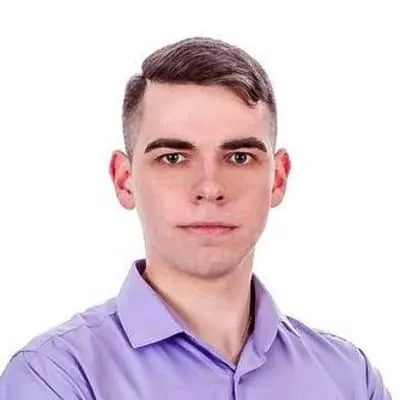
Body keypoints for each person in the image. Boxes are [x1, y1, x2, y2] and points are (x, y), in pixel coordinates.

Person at [0, 36, 391, 399]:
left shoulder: (351, 379)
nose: (210, 187)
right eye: (173, 158)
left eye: (239, 157)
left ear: (278, 179)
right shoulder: (56, 377)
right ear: (124, 180)